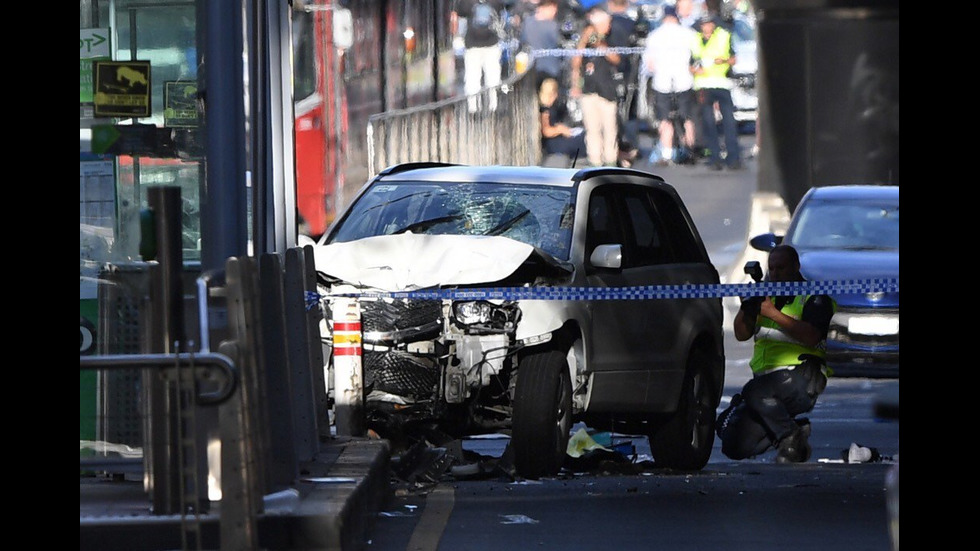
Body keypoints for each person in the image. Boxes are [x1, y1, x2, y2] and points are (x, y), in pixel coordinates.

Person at [717, 245, 837, 463]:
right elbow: (740, 334)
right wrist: (748, 308)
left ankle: (788, 435)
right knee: (733, 442)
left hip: (802, 376)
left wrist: (773, 313)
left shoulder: (813, 295)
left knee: (754, 392)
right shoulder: (765, 295)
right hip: (767, 385)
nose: (775, 273)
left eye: (781, 267)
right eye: (771, 268)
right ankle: (796, 434)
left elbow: (812, 336)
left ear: (796, 266)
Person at [642, 4, 698, 166]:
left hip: (662, 82)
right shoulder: (688, 34)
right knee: (687, 118)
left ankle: (667, 154)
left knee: (664, 119)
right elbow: (696, 57)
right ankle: (690, 149)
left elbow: (649, 65)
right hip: (684, 81)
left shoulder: (654, 36)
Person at [570, 6, 621, 167]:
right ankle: (595, 161)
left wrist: (601, 44)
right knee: (592, 128)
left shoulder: (612, 38)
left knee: (610, 128)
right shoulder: (586, 40)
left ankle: (610, 160)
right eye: (605, 23)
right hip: (589, 90)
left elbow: (616, 59)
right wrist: (584, 40)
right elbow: (576, 63)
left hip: (607, 90)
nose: (608, 26)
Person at [691, 12, 742, 170]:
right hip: (703, 85)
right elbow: (691, 63)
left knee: (729, 121)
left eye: (709, 23)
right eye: (703, 24)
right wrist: (694, 70)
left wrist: (724, 61)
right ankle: (715, 157)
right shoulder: (696, 40)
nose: (706, 27)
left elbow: (733, 59)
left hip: (721, 83)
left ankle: (733, 157)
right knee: (708, 123)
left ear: (713, 24)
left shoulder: (724, 36)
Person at [455, 0, 507, 113]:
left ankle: (473, 107)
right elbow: (501, 15)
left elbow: (460, 15)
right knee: (493, 76)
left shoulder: (466, 3)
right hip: (492, 44)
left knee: (472, 77)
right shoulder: (495, 2)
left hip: (472, 45)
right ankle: (494, 105)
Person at [538, 77, 586, 162]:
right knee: (582, 141)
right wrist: (560, 130)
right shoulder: (545, 109)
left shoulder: (551, 106)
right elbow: (546, 131)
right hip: (554, 143)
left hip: (558, 138)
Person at [519, 0, 563, 92]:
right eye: (553, 9)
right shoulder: (552, 26)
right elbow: (559, 44)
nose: (554, 13)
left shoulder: (527, 22)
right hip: (550, 70)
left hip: (531, 69)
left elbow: (523, 41)